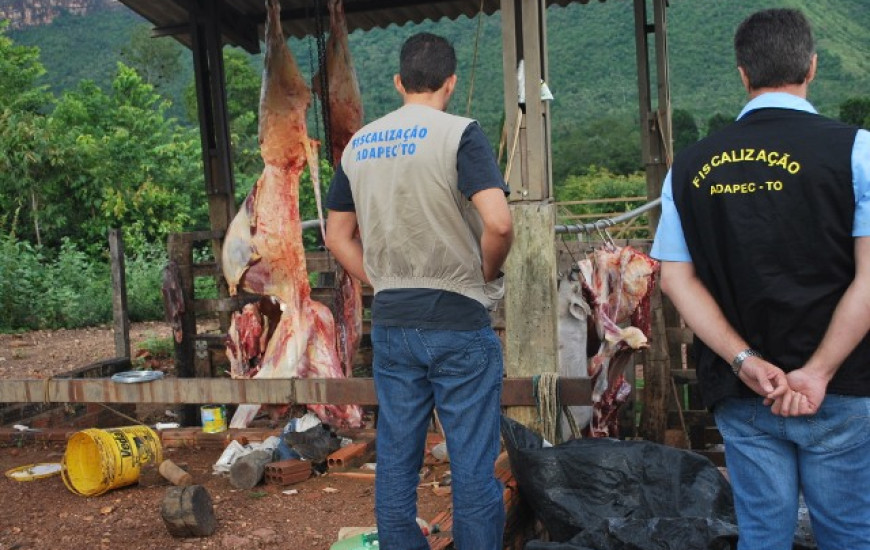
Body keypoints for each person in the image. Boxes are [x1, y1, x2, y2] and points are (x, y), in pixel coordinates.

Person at [651, 8, 870, 550]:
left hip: (747, 393)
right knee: (849, 535)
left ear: (742, 73)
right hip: (842, 389)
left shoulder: (689, 167)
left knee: (763, 536)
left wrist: (743, 360)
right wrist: (817, 373)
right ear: (812, 67)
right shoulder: (857, 150)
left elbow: (676, 281)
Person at [324, 32, 513, 550]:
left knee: (398, 458)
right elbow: (498, 224)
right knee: (472, 464)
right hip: (456, 316)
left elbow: (336, 236)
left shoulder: (359, 144)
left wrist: (380, 281)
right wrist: (486, 275)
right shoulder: (460, 134)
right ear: (450, 83)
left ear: (398, 82)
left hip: (392, 323)